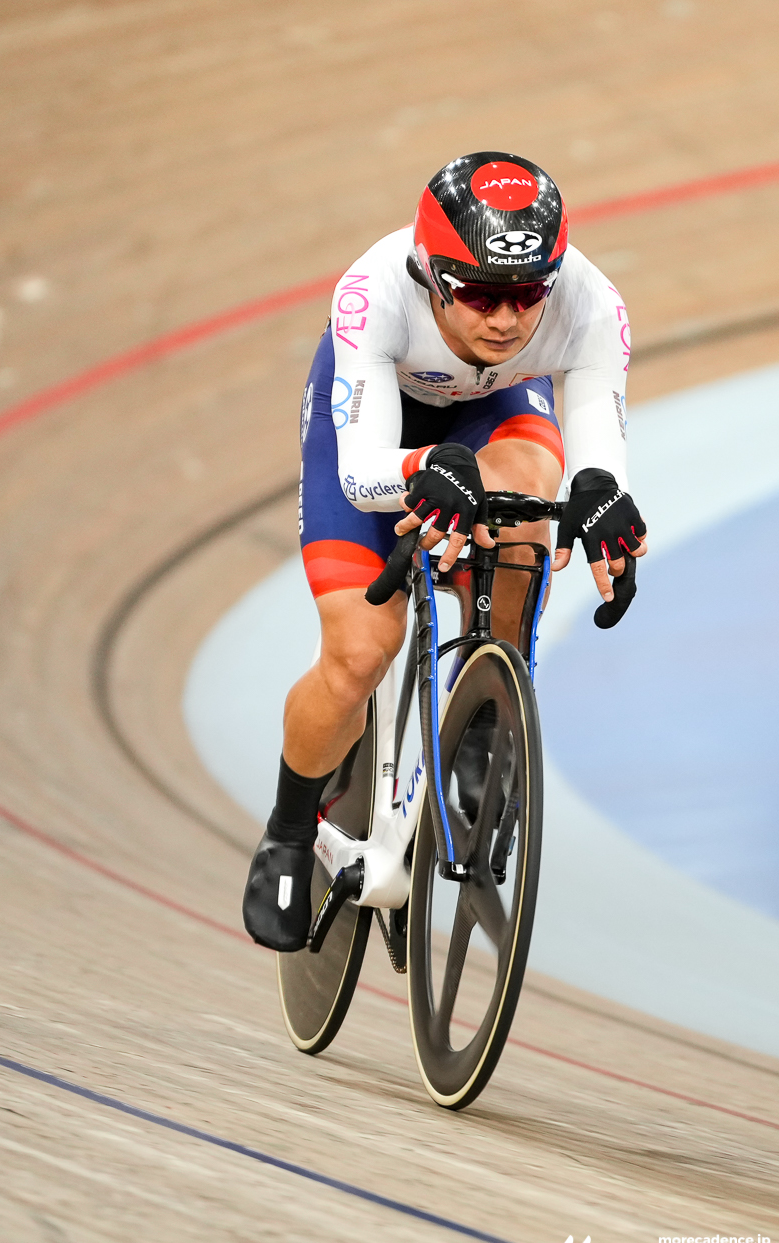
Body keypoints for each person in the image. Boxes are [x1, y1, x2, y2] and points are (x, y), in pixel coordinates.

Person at [241, 152, 648, 952]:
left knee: (535, 492)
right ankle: (289, 829)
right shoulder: (372, 294)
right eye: (481, 295)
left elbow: (599, 436)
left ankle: (485, 707)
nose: (506, 319)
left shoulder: (591, 304)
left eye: (528, 295)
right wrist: (428, 471)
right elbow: (362, 476)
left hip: (489, 415)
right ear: (431, 274)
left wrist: (604, 503)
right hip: (377, 432)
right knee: (360, 653)